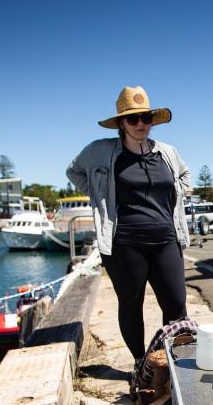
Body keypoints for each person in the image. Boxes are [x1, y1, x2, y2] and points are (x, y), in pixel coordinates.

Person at [66, 86, 191, 360]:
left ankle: (173, 364)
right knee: (132, 304)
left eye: (145, 117)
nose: (140, 124)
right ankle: (139, 363)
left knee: (176, 303)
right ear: (121, 123)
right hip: (125, 244)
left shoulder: (166, 152)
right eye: (132, 119)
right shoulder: (101, 151)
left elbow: (184, 174)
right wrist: (98, 191)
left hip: (166, 239)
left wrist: (180, 191)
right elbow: (73, 170)